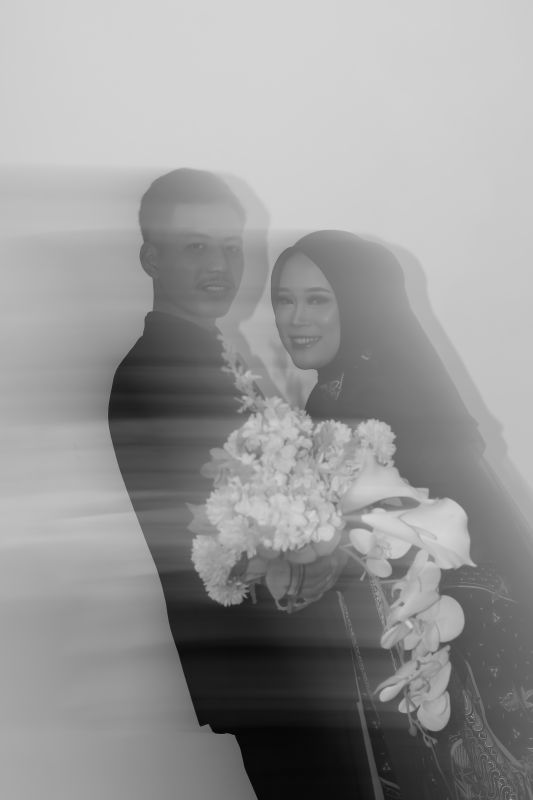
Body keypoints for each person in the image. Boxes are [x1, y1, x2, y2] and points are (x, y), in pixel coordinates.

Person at [108, 177, 367, 799]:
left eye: (230, 247)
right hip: (274, 663)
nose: (220, 266)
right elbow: (221, 534)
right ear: (151, 258)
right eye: (196, 247)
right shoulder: (158, 372)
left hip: (283, 659)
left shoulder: (208, 355)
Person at [271, 230, 533, 799]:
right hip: (412, 638)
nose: (295, 318)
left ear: (359, 303)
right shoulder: (336, 395)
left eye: (318, 299)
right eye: (284, 300)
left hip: (454, 636)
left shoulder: (372, 396)